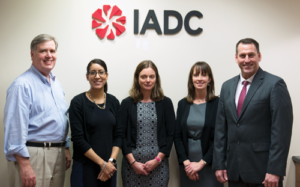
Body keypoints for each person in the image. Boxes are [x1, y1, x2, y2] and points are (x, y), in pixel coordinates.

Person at [213, 38, 293, 187]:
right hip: (234, 172)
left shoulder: (275, 84)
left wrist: (275, 170)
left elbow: (281, 132)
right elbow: (220, 129)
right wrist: (219, 163)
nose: (247, 60)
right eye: (242, 56)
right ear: (236, 58)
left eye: (251, 55)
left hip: (264, 174)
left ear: (259, 56)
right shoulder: (227, 86)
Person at [4, 34, 71, 187]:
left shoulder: (56, 83)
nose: (49, 55)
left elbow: (61, 118)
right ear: (32, 54)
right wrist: (24, 164)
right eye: (43, 51)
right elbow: (15, 128)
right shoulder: (22, 85)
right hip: (34, 154)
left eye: (52, 51)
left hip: (58, 152)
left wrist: (65, 147)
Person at [121, 60, 175, 187]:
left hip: (159, 166)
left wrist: (157, 160)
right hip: (132, 167)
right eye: (143, 76)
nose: (148, 80)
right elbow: (121, 135)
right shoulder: (126, 104)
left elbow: (171, 134)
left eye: (151, 76)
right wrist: (133, 163)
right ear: (137, 79)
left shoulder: (166, 103)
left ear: (156, 78)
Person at [69, 59, 122, 187]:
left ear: (106, 76)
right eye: (93, 73)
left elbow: (119, 135)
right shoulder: (77, 102)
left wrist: (110, 162)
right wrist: (102, 164)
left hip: (109, 169)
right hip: (84, 167)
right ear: (87, 77)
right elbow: (78, 139)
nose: (97, 76)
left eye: (101, 72)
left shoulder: (114, 101)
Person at [174, 62, 223, 187]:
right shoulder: (182, 104)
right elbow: (177, 136)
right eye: (196, 75)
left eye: (204, 75)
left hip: (210, 164)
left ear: (209, 79)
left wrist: (202, 163)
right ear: (191, 79)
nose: (200, 78)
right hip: (187, 165)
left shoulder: (218, 104)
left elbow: (220, 137)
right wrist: (187, 164)